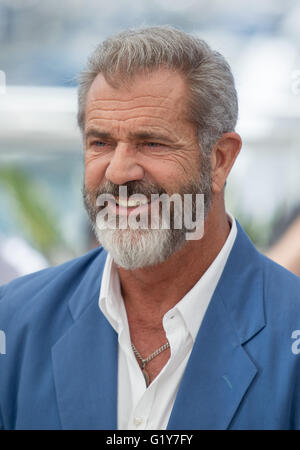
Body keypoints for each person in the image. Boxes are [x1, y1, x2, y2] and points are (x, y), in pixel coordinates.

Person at [1, 26, 300, 431]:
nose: (120, 172)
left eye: (152, 143)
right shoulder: (14, 323)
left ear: (221, 160)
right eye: (100, 143)